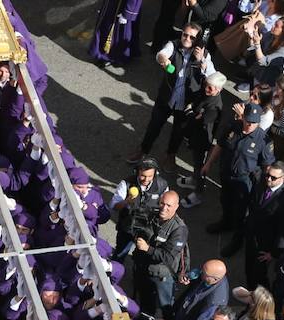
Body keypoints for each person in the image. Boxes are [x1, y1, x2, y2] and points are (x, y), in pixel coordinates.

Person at [128, 23, 216, 173]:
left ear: (198, 39)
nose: (187, 38)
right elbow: (162, 54)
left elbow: (213, 77)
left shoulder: (205, 55)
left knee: (178, 132)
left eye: (192, 37)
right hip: (166, 97)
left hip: (186, 102)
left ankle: (170, 155)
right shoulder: (173, 45)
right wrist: (163, 59)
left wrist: (202, 62)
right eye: (185, 34)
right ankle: (143, 150)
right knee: (154, 125)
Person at [203, 102, 275, 235]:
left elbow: (267, 165)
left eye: (253, 123)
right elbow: (219, 145)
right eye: (247, 121)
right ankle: (225, 223)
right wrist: (208, 164)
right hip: (226, 173)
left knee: (241, 210)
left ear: (258, 122)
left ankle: (237, 236)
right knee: (225, 201)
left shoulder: (264, 141)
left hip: (244, 180)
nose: (249, 125)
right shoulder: (232, 127)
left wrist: (266, 186)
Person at [237, 162, 284, 285]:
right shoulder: (262, 184)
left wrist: (274, 253)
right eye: (268, 175)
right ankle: (251, 291)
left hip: (266, 244)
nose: (269, 179)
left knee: (259, 274)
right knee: (248, 268)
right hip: (252, 234)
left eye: (273, 178)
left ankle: (261, 299)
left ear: (283, 178)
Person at [133, 191, 188, 320]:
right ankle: (147, 317)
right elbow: (138, 229)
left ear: (176, 206)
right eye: (162, 203)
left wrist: (147, 248)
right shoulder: (153, 215)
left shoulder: (179, 229)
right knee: (145, 298)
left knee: (166, 305)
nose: (164, 208)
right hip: (144, 267)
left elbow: (167, 257)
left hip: (161, 275)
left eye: (169, 205)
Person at [156, 259, 229, 320]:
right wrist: (188, 276)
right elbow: (200, 272)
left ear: (215, 279)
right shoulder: (211, 277)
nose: (201, 272)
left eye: (204, 273)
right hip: (183, 309)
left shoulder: (214, 303)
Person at [178, 72, 227, 207]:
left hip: (203, 140)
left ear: (219, 89)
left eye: (210, 88)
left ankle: (198, 193)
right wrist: (193, 113)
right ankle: (194, 180)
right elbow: (194, 110)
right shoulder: (207, 95)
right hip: (196, 135)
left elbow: (197, 119)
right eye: (206, 86)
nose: (206, 89)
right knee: (196, 162)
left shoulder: (214, 107)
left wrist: (191, 112)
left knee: (201, 167)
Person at [110, 157, 169, 260]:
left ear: (155, 173)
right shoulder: (126, 184)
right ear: (136, 172)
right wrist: (127, 201)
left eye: (150, 176)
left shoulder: (162, 186)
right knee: (120, 254)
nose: (146, 180)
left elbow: (167, 205)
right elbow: (114, 206)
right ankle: (114, 273)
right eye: (143, 176)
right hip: (127, 228)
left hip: (149, 230)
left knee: (143, 259)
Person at [88, 0, 142, 66]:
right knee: (106, 27)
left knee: (118, 33)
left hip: (122, 7)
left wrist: (127, 14)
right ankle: (103, 54)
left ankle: (112, 57)